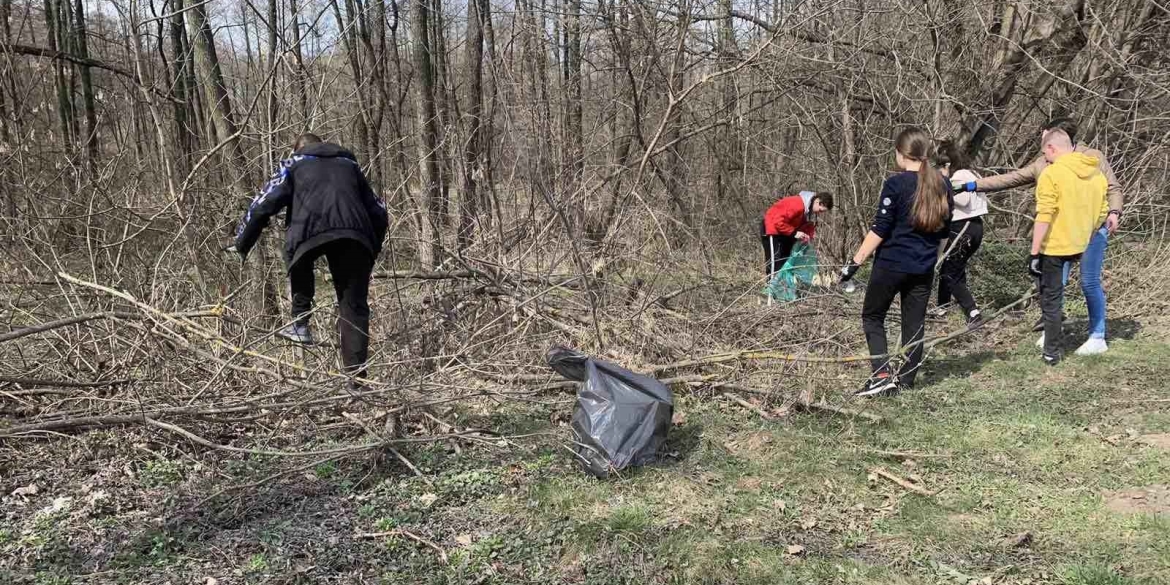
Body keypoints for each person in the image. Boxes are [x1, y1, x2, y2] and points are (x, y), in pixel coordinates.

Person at [953, 118, 1122, 355]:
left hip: (1094, 226)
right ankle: (1053, 331)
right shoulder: (1043, 162)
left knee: (1089, 280)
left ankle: (1097, 335)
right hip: (1061, 233)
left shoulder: (1092, 156)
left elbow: (1113, 187)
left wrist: (1114, 211)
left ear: (1058, 138)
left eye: (1046, 134)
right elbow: (1010, 178)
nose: (1042, 137)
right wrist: (971, 186)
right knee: (1053, 284)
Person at [231, 133, 388, 379]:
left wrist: (241, 243)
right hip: (355, 235)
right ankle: (356, 380)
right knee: (354, 307)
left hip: (308, 230)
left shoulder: (293, 163)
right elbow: (379, 210)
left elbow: (262, 204)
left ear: (298, 149)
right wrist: (372, 250)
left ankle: (301, 323)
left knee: (300, 255)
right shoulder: (350, 165)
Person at [839, 128, 953, 397]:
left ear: (902, 155)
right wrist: (933, 261)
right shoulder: (943, 185)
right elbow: (944, 233)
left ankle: (881, 376)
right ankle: (905, 382)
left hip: (891, 265)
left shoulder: (896, 184)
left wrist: (854, 263)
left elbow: (879, 229)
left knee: (872, 316)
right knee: (914, 325)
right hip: (923, 268)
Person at [1027, 129, 1108, 365]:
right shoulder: (1095, 173)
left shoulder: (1052, 174)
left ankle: (1051, 351)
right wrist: (1086, 231)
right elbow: (1102, 210)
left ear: (1052, 148)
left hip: (1055, 245)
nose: (1045, 158)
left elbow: (1044, 214)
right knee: (1088, 283)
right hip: (1083, 241)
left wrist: (1034, 252)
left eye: (1045, 153)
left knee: (1052, 297)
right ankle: (1088, 336)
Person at [932, 140, 988, 326]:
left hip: (963, 227)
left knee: (949, 273)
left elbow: (963, 200)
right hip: (976, 227)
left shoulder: (958, 176)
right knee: (952, 268)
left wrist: (943, 189)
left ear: (947, 164)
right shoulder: (972, 173)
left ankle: (973, 312)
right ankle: (942, 308)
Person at [760, 191, 833, 278]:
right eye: (820, 210)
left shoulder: (807, 211)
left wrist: (805, 236)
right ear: (817, 201)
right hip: (772, 230)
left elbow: (800, 226)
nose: (819, 213)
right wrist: (794, 233)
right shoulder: (797, 204)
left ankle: (781, 288)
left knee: (785, 262)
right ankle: (771, 288)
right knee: (775, 263)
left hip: (784, 233)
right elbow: (777, 221)